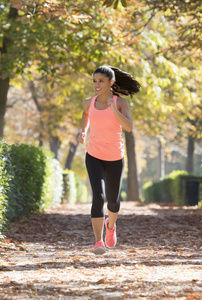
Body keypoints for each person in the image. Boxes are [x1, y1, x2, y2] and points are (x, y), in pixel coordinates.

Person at [78, 65, 141, 255]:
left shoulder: (120, 103)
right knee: (98, 197)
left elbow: (128, 127)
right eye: (94, 81)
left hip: (115, 157)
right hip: (94, 155)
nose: (97, 85)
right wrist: (83, 131)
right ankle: (98, 242)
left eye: (101, 81)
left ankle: (111, 225)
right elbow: (86, 115)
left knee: (113, 201)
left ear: (111, 82)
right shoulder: (88, 102)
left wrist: (114, 110)